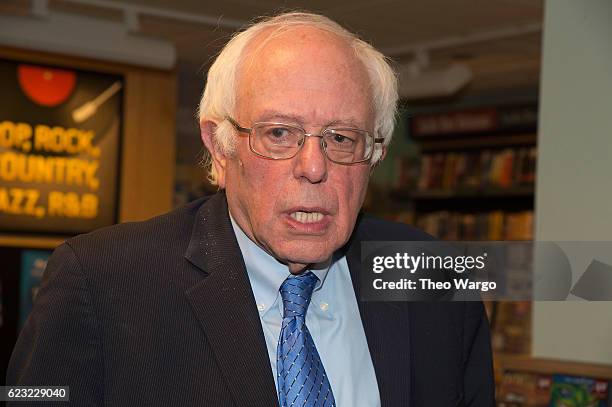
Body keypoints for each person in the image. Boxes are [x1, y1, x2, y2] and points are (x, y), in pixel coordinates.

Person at [7, 12, 494, 407]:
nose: (313, 167)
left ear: (375, 156)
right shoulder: (101, 279)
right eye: (279, 133)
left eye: (342, 138)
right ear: (219, 147)